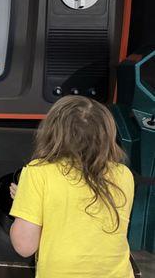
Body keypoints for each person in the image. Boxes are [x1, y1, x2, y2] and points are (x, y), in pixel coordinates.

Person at [9, 95, 134, 278]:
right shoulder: (123, 174)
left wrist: (24, 200)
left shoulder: (38, 173)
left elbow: (24, 246)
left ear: (52, 132)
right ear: (107, 134)